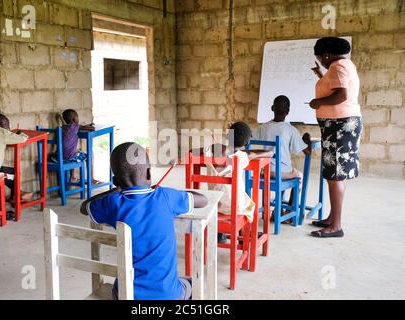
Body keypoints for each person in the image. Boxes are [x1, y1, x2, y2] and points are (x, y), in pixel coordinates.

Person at [80, 142, 208, 300]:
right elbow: (203, 200)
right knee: (192, 283)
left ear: (115, 181)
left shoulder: (112, 202)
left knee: (118, 284)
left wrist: (113, 192)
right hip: (167, 295)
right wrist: (177, 192)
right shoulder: (166, 197)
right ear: (149, 173)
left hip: (125, 295)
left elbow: (84, 208)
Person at [308, 37, 363, 238]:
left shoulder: (338, 66)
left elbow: (341, 95)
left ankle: (335, 226)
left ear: (327, 55)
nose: (321, 61)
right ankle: (333, 218)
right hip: (340, 125)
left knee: (335, 175)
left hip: (339, 126)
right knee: (336, 174)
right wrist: (322, 75)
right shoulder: (345, 65)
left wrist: (317, 102)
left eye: (320, 57)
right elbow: (337, 87)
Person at [203, 122, 273, 243]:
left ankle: (220, 233)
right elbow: (266, 154)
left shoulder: (209, 151)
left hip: (214, 203)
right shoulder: (241, 157)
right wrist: (269, 153)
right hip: (233, 207)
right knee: (248, 202)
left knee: (227, 193)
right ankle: (245, 234)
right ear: (245, 143)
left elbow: (196, 151)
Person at [251, 95, 312, 220]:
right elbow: (307, 152)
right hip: (282, 173)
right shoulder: (291, 130)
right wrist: (307, 139)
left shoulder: (263, 127)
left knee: (287, 171)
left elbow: (248, 138)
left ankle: (277, 210)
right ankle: (289, 211)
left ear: (272, 108)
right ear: (288, 112)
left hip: (265, 172)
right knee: (299, 176)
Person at [58, 109, 100, 184]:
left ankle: (72, 177)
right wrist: (90, 126)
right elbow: (92, 129)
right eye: (77, 117)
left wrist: (84, 126)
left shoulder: (63, 127)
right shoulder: (75, 127)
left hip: (60, 156)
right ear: (74, 119)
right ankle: (91, 179)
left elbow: (79, 127)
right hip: (70, 157)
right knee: (88, 156)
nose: (78, 118)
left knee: (75, 152)